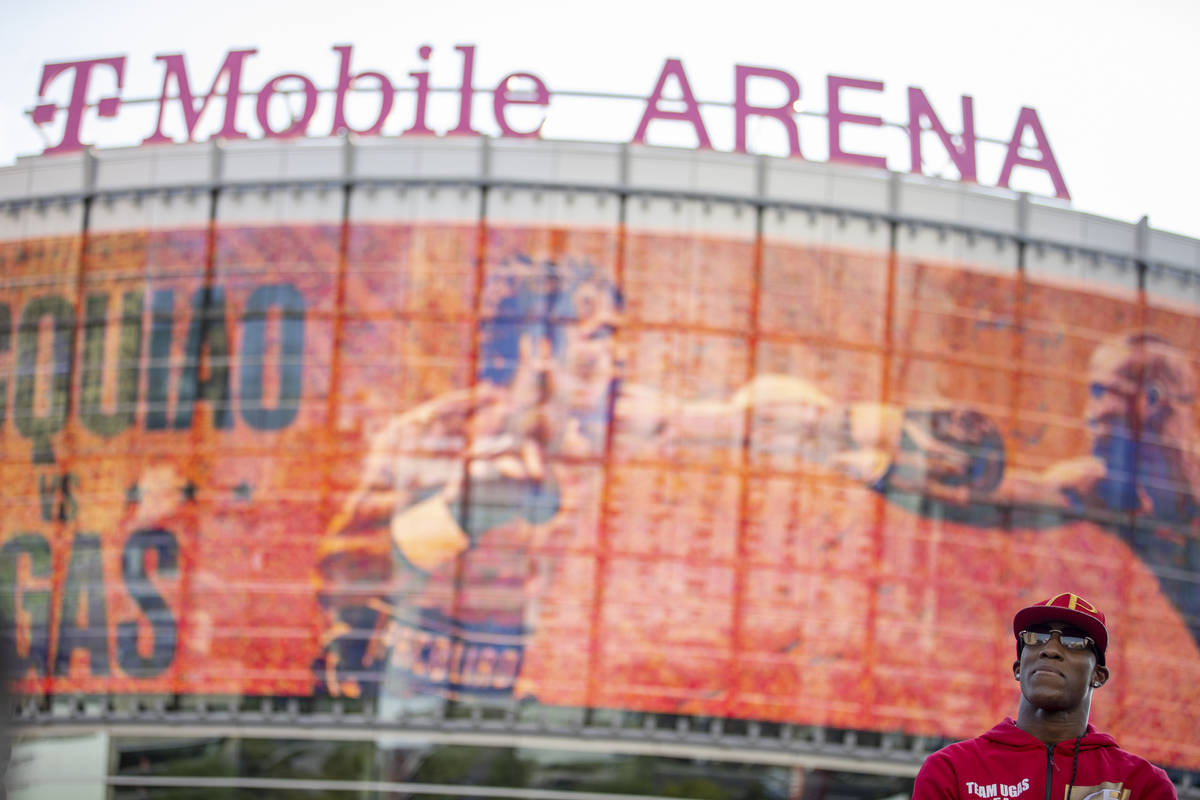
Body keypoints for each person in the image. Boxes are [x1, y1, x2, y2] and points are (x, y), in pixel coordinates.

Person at [912, 592, 1177, 800]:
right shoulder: (952, 770)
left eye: (1074, 642)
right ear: (1018, 669)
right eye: (1036, 638)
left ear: (1098, 675)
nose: (1050, 649)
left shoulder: (1142, 784)